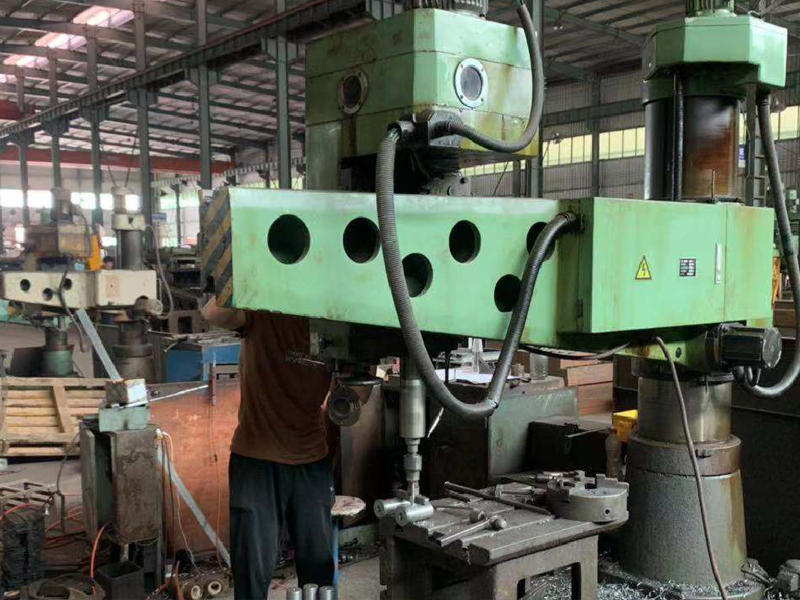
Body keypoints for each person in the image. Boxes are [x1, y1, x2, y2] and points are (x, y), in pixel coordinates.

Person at [202, 298, 336, 600]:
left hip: (310, 460)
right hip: (256, 460)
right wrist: (246, 274)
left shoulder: (334, 324)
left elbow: (358, 395)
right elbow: (212, 313)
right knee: (251, 570)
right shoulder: (261, 309)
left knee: (318, 567)